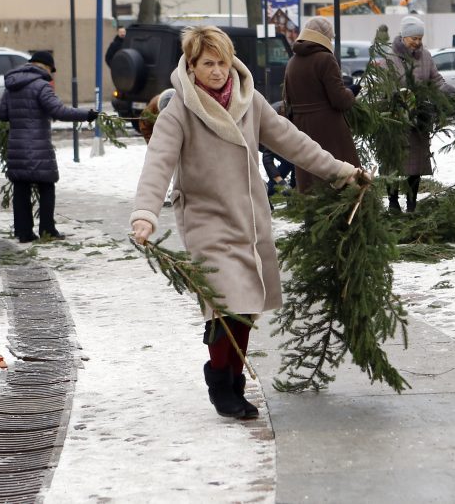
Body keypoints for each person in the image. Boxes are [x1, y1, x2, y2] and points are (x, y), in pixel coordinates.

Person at [130, 26, 368, 420]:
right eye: (208, 64)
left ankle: (231, 378)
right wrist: (145, 214)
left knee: (245, 307)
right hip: (206, 220)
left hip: (250, 217)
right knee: (228, 301)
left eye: (222, 62)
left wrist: (342, 172)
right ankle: (221, 384)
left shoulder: (249, 100)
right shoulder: (180, 111)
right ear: (191, 65)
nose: (218, 71)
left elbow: (294, 143)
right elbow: (158, 163)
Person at [0, 51, 98, 243]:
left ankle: (23, 232)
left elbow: (2, 114)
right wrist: (86, 115)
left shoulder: (11, 86)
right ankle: (47, 229)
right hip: (38, 146)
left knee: (21, 189)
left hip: (17, 145)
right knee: (46, 186)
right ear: (45, 67)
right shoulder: (41, 86)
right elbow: (59, 111)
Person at [383, 16, 455, 213]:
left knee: (415, 164)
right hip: (396, 119)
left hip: (419, 120)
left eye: (420, 38)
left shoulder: (425, 56)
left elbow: (436, 79)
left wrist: (446, 90)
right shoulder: (390, 59)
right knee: (394, 162)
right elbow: (385, 86)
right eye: (413, 38)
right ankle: (393, 203)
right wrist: (398, 98)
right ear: (404, 36)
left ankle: (411, 204)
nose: (417, 42)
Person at [283, 16, 361, 194]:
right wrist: (351, 92)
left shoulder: (292, 62)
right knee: (341, 177)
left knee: (312, 179)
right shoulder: (325, 59)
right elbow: (340, 100)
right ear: (324, 37)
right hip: (329, 128)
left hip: (302, 128)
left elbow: (288, 99)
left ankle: (315, 219)